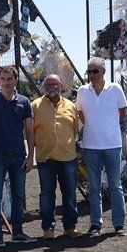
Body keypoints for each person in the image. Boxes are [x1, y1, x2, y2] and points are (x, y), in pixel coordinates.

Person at [0, 65, 35, 247]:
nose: (5, 82)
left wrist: (30, 157)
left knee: (19, 196)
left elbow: (29, 131)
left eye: (9, 79)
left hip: (19, 155)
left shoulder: (24, 102)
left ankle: (18, 232)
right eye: (3, 79)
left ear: (16, 81)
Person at [76, 57, 127, 237]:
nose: (91, 75)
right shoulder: (82, 91)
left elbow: (122, 112)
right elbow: (80, 113)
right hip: (91, 146)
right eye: (89, 71)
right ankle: (95, 224)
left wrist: (108, 128)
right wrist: (93, 127)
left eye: (95, 71)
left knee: (115, 185)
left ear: (104, 71)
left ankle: (119, 224)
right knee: (94, 186)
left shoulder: (115, 89)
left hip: (112, 145)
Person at [31, 74, 83, 239]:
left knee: (69, 194)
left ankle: (70, 227)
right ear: (44, 87)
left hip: (67, 157)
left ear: (61, 86)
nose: (52, 87)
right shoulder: (35, 106)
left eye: (55, 84)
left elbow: (75, 129)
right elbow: (30, 132)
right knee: (47, 194)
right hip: (45, 158)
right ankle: (48, 229)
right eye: (48, 85)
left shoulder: (71, 106)